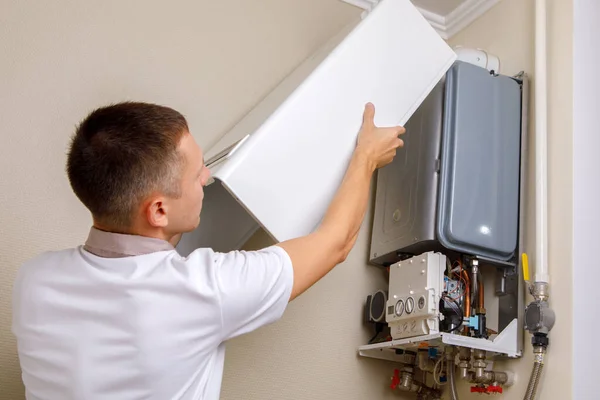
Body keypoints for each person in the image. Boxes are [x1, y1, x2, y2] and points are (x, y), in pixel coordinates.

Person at [12, 101, 405, 400]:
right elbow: (335, 242)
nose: (209, 177)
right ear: (159, 210)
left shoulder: (33, 280)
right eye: (198, 172)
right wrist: (367, 157)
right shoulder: (205, 290)